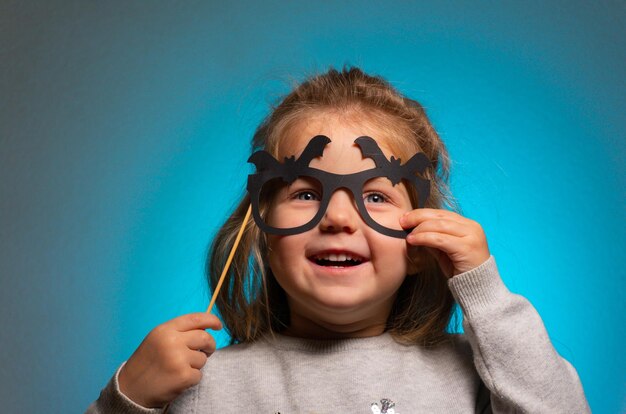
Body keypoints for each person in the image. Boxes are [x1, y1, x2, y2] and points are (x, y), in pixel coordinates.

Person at [87, 67, 590, 413]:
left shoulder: (473, 376)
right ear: (261, 232)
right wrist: (128, 398)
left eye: (375, 197)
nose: (338, 218)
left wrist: (486, 294)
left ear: (420, 246)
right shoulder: (203, 387)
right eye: (307, 194)